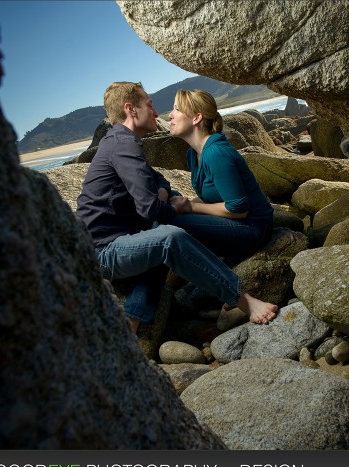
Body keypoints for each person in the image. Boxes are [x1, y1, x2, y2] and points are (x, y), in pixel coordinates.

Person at [76, 81, 277, 333]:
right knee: (168, 236)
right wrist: (171, 202)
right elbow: (151, 207)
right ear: (131, 109)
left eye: (173, 109)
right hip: (101, 250)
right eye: (149, 104)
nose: (158, 112)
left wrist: (172, 199)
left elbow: (160, 182)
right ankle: (241, 299)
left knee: (161, 229)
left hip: (112, 242)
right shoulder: (123, 145)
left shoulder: (122, 142)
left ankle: (132, 321)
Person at [166, 89, 274, 266]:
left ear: (196, 118)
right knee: (169, 202)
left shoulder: (216, 153)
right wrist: (184, 203)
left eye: (176, 109)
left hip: (254, 228)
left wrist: (191, 207)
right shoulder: (193, 154)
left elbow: (238, 208)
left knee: (171, 221)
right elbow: (213, 194)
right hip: (234, 221)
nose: (170, 115)